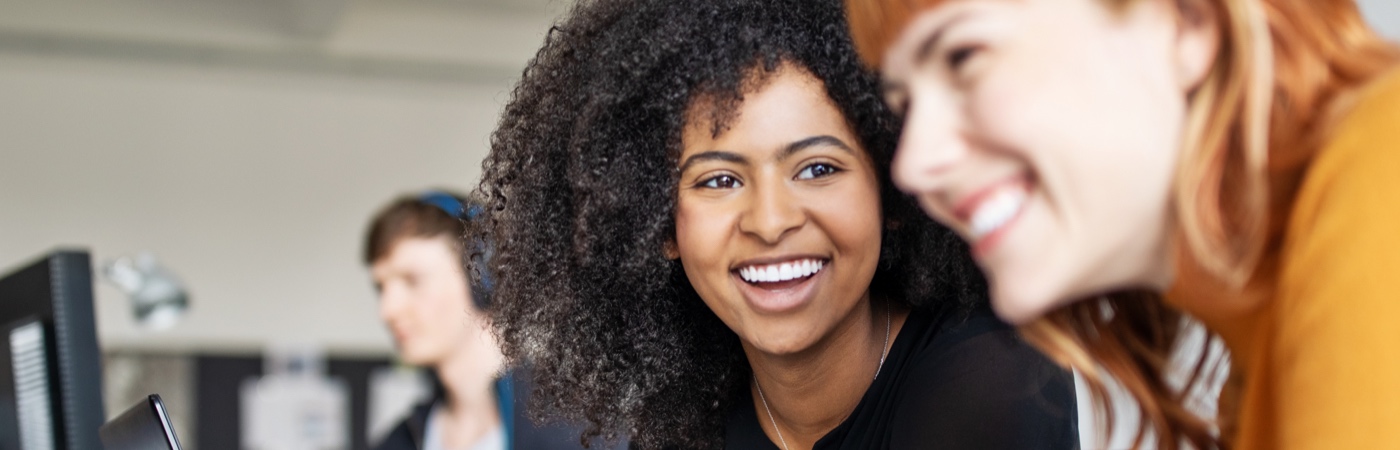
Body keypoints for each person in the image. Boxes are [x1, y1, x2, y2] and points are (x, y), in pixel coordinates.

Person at [472, 0, 1079, 448]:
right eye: (719, 180)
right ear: (658, 225)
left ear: (896, 190)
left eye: (816, 168)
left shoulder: (991, 379)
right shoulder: (691, 431)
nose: (770, 221)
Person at [843, 0, 1400, 448]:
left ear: (1187, 21)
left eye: (964, 56)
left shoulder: (1380, 170)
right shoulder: (1254, 365)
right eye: (907, 104)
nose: (912, 164)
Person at [363, 191, 591, 450]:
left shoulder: (578, 432)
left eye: (413, 281)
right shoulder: (399, 441)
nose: (387, 310)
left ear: (481, 278)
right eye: (381, 288)